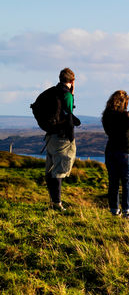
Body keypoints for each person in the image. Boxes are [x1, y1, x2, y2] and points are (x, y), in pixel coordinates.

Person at [43, 67, 80, 211]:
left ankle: (53, 201)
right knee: (59, 170)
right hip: (62, 137)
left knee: (51, 169)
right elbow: (69, 114)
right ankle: (57, 204)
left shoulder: (52, 92)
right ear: (72, 81)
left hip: (50, 135)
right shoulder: (67, 95)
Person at [101, 90, 129, 218]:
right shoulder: (127, 114)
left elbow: (107, 131)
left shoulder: (106, 115)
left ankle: (114, 210)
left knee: (113, 182)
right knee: (127, 183)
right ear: (124, 102)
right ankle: (127, 211)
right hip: (126, 151)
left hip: (111, 150)